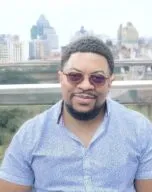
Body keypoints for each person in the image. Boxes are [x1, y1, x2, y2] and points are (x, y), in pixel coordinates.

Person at [0, 35, 152, 192]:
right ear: (61, 78)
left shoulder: (138, 129)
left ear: (109, 83)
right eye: (75, 76)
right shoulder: (31, 135)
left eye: (97, 78)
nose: (85, 85)